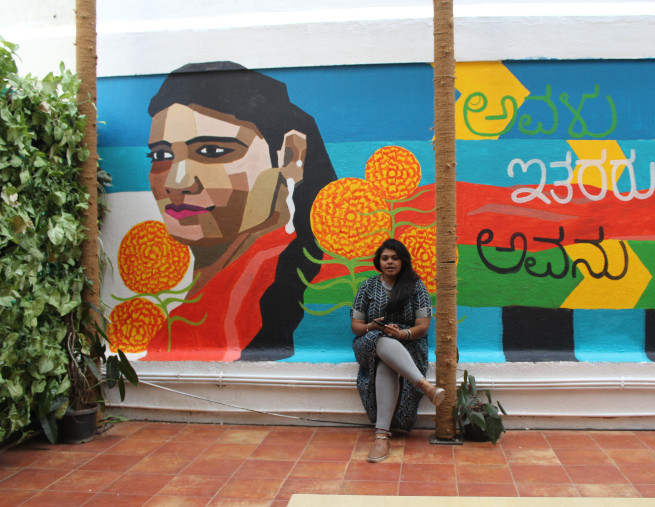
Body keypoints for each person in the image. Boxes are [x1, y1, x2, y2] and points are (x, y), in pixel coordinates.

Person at [143, 61, 336, 361]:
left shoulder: (297, 293)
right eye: (162, 155)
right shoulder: (202, 301)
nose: (176, 182)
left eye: (211, 152)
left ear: (290, 155)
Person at [350, 238, 445, 463]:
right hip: (369, 343)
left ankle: (381, 436)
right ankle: (424, 385)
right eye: (385, 258)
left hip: (410, 345)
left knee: (387, 364)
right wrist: (374, 327)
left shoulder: (416, 286)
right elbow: (356, 327)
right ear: (378, 261)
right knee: (380, 339)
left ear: (403, 261)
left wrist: (401, 334)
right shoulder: (367, 286)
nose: (390, 262)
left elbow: (422, 327)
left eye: (395, 258)